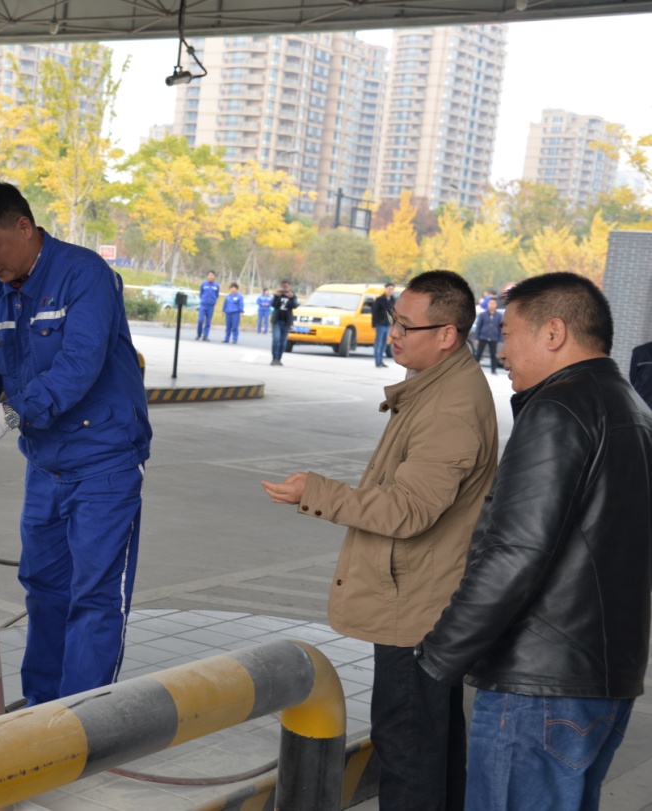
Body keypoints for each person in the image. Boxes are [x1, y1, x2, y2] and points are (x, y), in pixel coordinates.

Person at [261, 270, 498, 811]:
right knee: (431, 744)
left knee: (409, 749)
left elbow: (409, 509)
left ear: (448, 334)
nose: (395, 334)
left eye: (409, 326)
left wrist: (316, 492)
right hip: (419, 596)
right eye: (396, 320)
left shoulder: (451, 407)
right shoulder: (436, 386)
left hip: (416, 608)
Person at [416, 273, 652, 811]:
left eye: (508, 334)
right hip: (605, 681)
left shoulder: (558, 409)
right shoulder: (635, 412)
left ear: (553, 332)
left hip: (539, 686)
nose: (501, 350)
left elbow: (516, 554)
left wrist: (436, 657)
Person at [0, 182, 152, 706]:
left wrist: (12, 413)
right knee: (44, 588)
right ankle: (42, 710)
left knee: (93, 596)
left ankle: (84, 719)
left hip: (104, 463)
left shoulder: (84, 275)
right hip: (45, 465)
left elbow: (79, 364)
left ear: (24, 227)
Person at [269, 281, 299, 366]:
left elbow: (295, 306)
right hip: (277, 320)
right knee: (276, 339)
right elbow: (273, 305)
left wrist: (291, 297)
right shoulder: (278, 294)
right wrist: (276, 296)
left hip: (286, 321)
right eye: (283, 287)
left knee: (283, 341)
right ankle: (274, 358)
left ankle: (279, 359)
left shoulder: (292, 295)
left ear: (289, 287)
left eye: (286, 287)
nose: (285, 289)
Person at [473, 297, 503, 374]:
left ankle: (493, 370)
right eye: (490, 303)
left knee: (493, 355)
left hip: (493, 338)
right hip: (483, 337)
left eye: (493, 303)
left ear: (496, 305)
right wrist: (476, 337)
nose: (491, 305)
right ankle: (474, 369)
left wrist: (500, 339)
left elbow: (500, 328)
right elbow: (478, 326)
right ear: (488, 304)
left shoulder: (499, 316)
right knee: (478, 353)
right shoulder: (483, 315)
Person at [372, 283, 396, 368]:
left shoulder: (393, 300)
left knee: (384, 343)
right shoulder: (379, 299)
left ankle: (381, 360)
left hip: (388, 324)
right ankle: (377, 361)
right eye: (389, 289)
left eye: (392, 289)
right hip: (380, 324)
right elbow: (374, 312)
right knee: (378, 343)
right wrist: (374, 325)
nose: (391, 291)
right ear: (385, 289)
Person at [196, 271, 220, 341]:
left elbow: (217, 294)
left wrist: (213, 301)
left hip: (211, 306)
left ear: (214, 276)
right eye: (209, 275)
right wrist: (203, 300)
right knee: (200, 320)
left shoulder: (216, 285)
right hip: (203, 305)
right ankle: (199, 334)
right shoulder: (203, 284)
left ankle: (205, 335)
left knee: (208, 321)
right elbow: (201, 293)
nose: (210, 276)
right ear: (207, 276)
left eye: (212, 275)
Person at [631, 340, 652, 409]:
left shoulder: (639, 351)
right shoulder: (639, 351)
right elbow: (633, 379)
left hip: (642, 405)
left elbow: (633, 379)